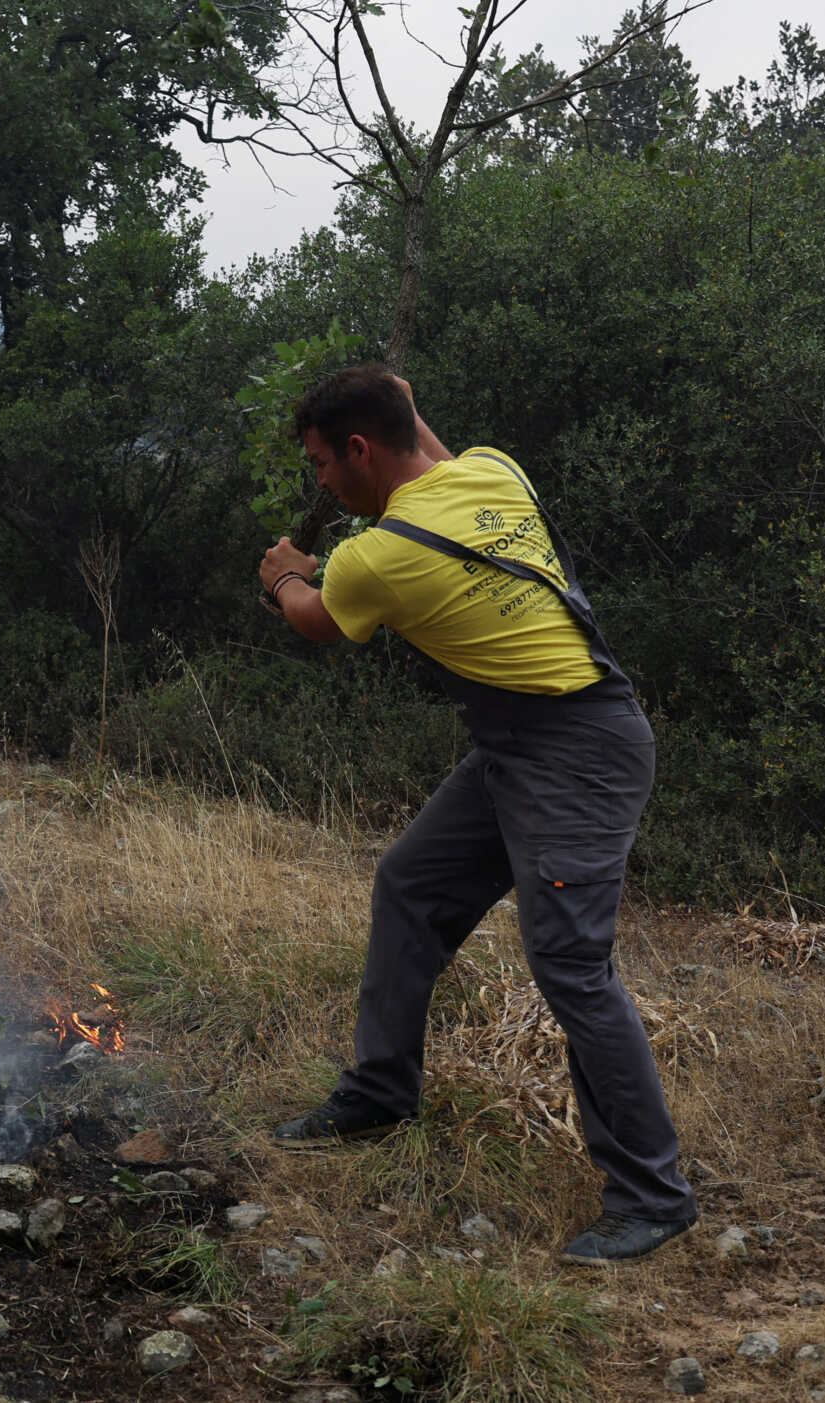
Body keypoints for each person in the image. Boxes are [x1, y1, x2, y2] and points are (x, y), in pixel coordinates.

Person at [254, 363, 698, 1266]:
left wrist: (282, 575)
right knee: (411, 883)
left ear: (359, 447)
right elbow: (421, 435)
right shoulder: (492, 470)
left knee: (571, 963)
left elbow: (315, 623)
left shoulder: (375, 556)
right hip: (522, 738)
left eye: (322, 465)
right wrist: (397, 396)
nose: (323, 487)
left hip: (574, 751)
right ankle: (380, 1094)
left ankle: (654, 1192)